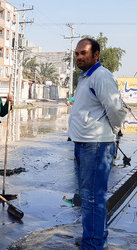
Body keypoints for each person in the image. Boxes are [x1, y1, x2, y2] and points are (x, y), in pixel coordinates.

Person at [68, 38, 126, 249]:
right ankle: (94, 239)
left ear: (96, 55)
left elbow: (116, 111)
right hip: (84, 144)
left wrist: (110, 132)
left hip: (96, 146)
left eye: (83, 53)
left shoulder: (101, 76)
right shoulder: (85, 77)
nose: (79, 57)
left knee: (93, 199)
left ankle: (92, 244)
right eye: (76, 53)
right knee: (89, 197)